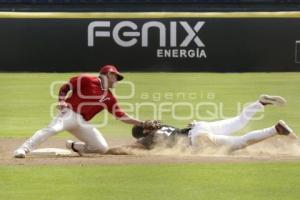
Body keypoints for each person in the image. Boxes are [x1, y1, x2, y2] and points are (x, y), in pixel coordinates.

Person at [14, 65, 153, 158]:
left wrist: (142, 123)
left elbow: (121, 116)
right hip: (69, 113)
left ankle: (74, 146)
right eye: (116, 76)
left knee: (101, 147)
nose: (117, 80)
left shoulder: (110, 97)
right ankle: (23, 149)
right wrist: (61, 101)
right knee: (52, 129)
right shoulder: (88, 79)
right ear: (109, 74)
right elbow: (65, 87)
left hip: (82, 122)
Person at [105, 95, 298, 155]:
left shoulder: (150, 138)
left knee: (238, 143)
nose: (151, 123)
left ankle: (275, 130)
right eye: (147, 125)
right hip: (199, 127)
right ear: (144, 131)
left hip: (196, 138)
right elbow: (129, 146)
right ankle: (260, 103)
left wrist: (104, 150)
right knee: (239, 121)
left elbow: (126, 148)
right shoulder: (153, 134)